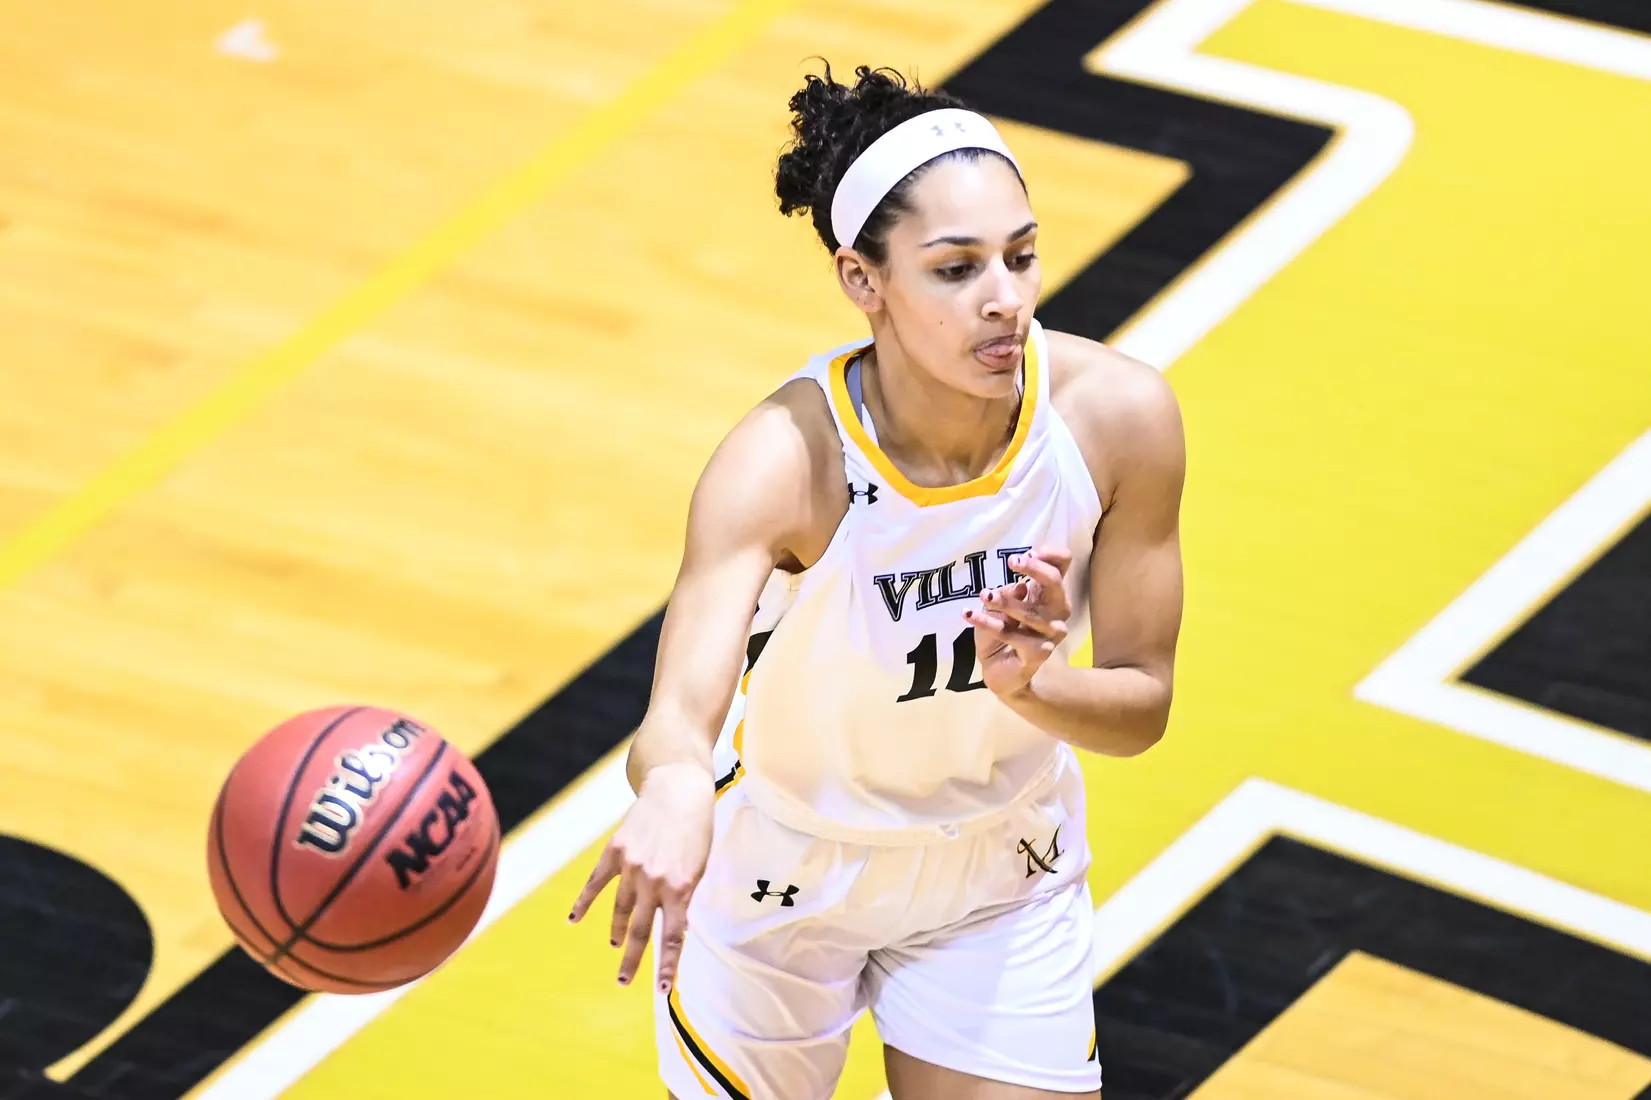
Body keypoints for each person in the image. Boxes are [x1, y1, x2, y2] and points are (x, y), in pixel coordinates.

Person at [569, 63, 1185, 1100]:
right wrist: (673, 786)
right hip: (782, 872)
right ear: (864, 281)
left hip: (999, 868)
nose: (1005, 299)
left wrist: (1036, 685)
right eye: (954, 270)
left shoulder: (1118, 420)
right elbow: (677, 713)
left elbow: (1142, 707)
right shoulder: (781, 461)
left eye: (1021, 256)